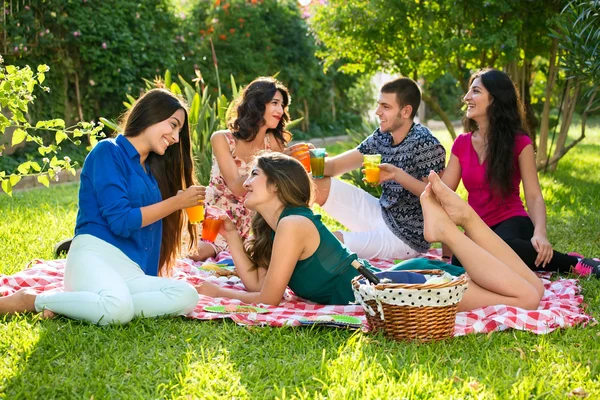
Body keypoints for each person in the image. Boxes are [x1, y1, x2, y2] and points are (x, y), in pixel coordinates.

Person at [195, 153, 544, 312]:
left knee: (529, 298)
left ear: (277, 184)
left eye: (254, 174)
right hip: (394, 286)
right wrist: (231, 237)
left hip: (402, 291)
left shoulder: (293, 224)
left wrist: (215, 291)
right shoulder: (280, 227)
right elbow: (261, 286)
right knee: (535, 289)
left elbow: (268, 300)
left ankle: (458, 226)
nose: (246, 181)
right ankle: (459, 225)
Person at [0, 89, 202, 324]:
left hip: (130, 270)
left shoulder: (151, 173)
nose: (176, 138)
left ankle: (82, 305)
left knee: (187, 295)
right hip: (94, 256)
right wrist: (176, 203)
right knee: (118, 309)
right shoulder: (108, 152)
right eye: (173, 125)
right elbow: (121, 221)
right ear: (151, 115)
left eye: (179, 131)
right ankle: (31, 300)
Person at [440, 68, 599, 276]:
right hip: (478, 228)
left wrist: (540, 233)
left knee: (504, 249)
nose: (466, 97)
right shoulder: (461, 144)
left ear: (495, 99)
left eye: (476, 91)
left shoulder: (520, 143)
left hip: (512, 222)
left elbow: (533, 195)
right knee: (461, 263)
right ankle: (534, 258)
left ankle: (573, 263)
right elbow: (444, 193)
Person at [310, 77, 446, 261]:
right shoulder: (381, 137)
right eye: (379, 105)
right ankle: (288, 228)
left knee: (328, 242)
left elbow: (438, 197)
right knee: (317, 183)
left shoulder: (425, 143)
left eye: (386, 107)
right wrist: (310, 155)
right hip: (382, 213)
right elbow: (333, 167)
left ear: (406, 111)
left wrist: (397, 175)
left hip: (406, 238)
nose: (377, 112)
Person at [191, 77, 290, 261]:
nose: (280, 110)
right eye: (274, 103)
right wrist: (274, 162)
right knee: (198, 253)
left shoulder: (274, 143)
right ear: (257, 104)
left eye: (282, 105)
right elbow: (237, 187)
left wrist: (293, 162)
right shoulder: (222, 139)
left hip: (253, 223)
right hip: (217, 219)